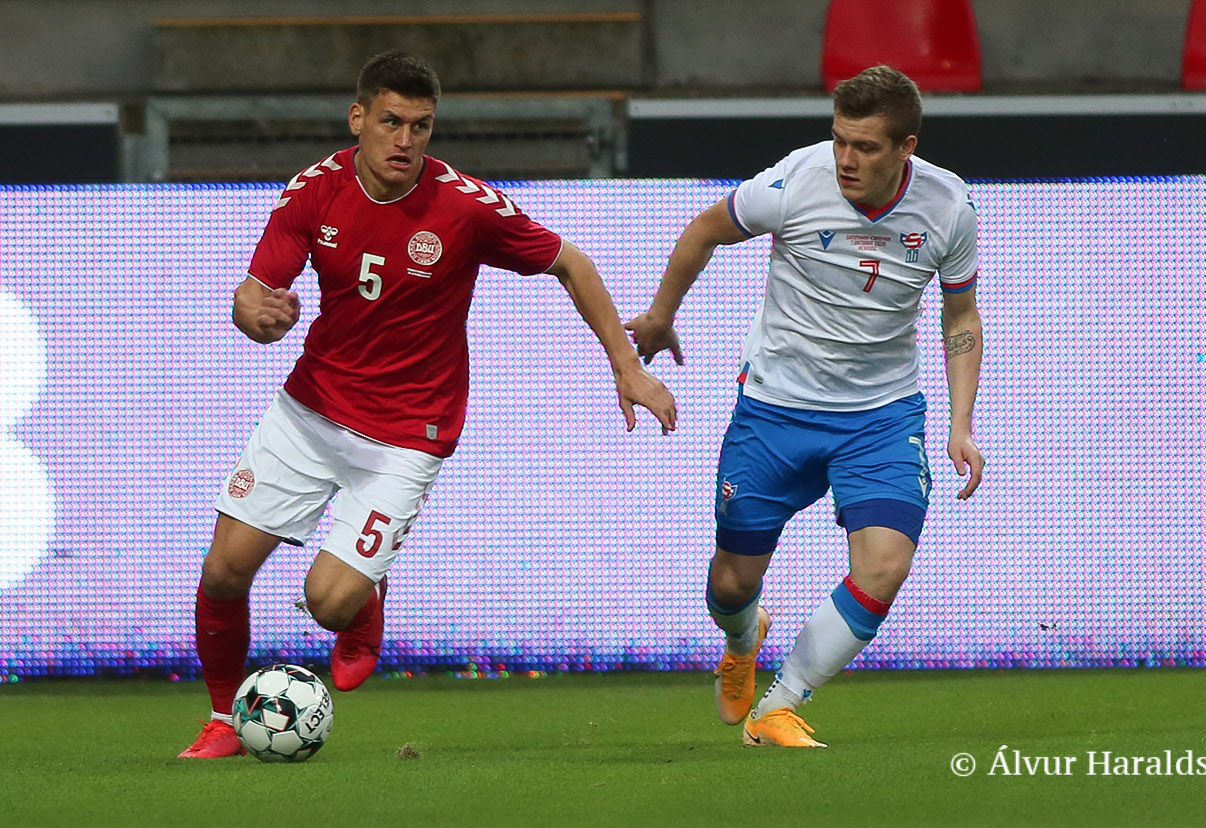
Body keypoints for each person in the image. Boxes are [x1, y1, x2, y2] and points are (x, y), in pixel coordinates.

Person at [180, 51, 677, 759]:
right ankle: (222, 720)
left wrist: (626, 365)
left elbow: (572, 262)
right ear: (358, 119)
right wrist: (254, 316)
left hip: (407, 435)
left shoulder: (465, 206)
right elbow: (254, 297)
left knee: (328, 602)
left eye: (421, 126)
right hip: (310, 412)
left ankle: (361, 599)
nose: (406, 140)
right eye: (391, 122)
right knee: (223, 571)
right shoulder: (313, 192)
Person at [627, 65, 984, 748]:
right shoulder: (795, 180)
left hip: (882, 416)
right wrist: (661, 316)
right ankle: (743, 638)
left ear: (906, 148)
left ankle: (779, 705)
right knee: (732, 584)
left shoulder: (949, 206)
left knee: (886, 565)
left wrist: (960, 422)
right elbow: (704, 229)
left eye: (866, 147)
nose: (846, 158)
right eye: (840, 139)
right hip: (776, 411)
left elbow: (961, 314)